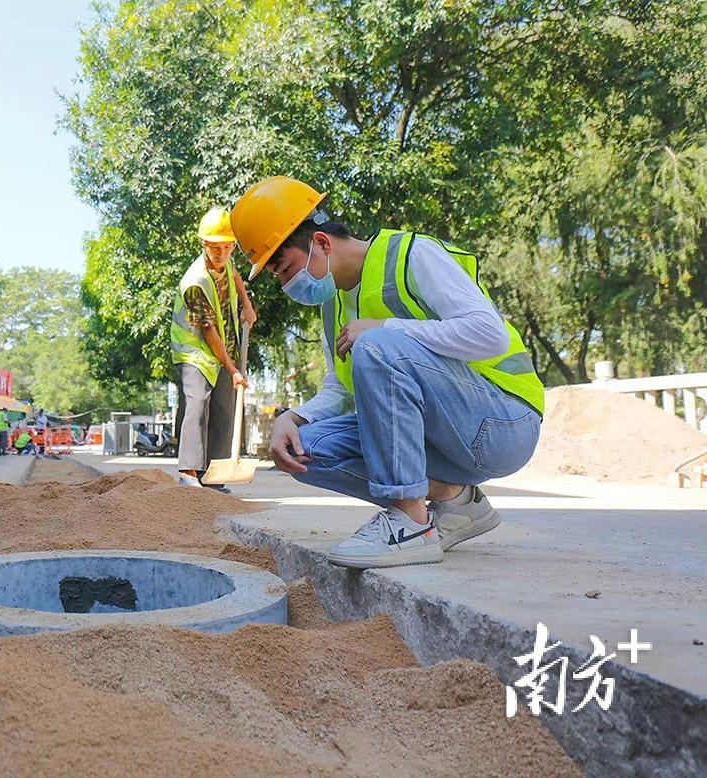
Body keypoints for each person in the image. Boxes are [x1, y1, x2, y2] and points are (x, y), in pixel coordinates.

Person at [230, 176, 544, 569]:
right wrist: (291, 417)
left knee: (375, 344)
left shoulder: (411, 254)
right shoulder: (334, 306)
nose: (285, 283)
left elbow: (490, 335)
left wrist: (385, 328)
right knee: (304, 448)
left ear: (321, 243)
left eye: (285, 268)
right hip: (440, 442)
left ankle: (411, 523)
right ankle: (455, 500)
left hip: (501, 425)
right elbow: (340, 389)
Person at [169, 206, 257, 489]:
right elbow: (208, 330)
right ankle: (189, 473)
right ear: (203, 245)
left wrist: (247, 305)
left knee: (225, 408)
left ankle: (214, 476)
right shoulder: (194, 282)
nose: (221, 254)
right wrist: (233, 369)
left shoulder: (226, 263)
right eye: (214, 248)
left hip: (222, 350)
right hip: (194, 351)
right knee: (197, 403)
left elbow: (235, 277)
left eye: (227, 247)